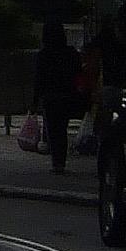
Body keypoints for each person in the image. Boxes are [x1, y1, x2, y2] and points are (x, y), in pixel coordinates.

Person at [29, 19, 82, 177]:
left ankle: (56, 161)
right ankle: (61, 162)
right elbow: (78, 73)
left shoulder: (44, 55)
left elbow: (39, 79)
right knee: (62, 129)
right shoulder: (71, 53)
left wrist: (35, 101)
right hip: (67, 95)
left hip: (50, 96)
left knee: (53, 129)